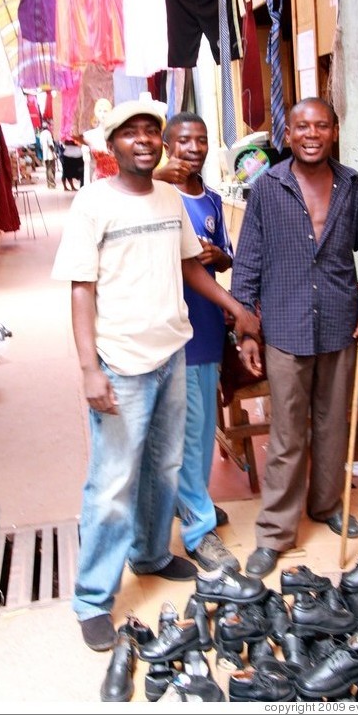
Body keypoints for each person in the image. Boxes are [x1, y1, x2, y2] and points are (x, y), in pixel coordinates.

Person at [51, 99, 260, 651]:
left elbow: (190, 265)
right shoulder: (93, 205)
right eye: (131, 133)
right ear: (112, 144)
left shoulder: (170, 197)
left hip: (171, 353)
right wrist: (88, 368)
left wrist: (233, 306)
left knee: (164, 466)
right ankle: (93, 598)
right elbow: (80, 287)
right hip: (119, 362)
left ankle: (149, 554)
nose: (143, 140)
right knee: (113, 481)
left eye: (151, 131)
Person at [231, 97, 358, 579]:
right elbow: (248, 263)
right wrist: (246, 330)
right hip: (284, 327)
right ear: (289, 132)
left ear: (334, 131)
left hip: (341, 325)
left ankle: (325, 506)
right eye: (302, 126)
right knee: (286, 434)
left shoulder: (355, 188)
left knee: (333, 425)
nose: (312, 134)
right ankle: (275, 532)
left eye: (322, 125)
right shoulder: (267, 188)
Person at [153, 111, 238, 572]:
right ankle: (198, 531)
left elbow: (224, 259)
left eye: (201, 140)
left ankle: (194, 501)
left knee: (204, 427)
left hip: (207, 324)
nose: (193, 148)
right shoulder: (156, 195)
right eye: (183, 140)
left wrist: (217, 254)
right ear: (167, 145)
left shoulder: (211, 199)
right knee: (186, 431)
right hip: (171, 327)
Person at [39, 121, 57, 189]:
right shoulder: (48, 133)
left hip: (45, 154)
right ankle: (52, 184)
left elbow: (41, 145)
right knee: (51, 169)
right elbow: (50, 144)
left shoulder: (41, 134)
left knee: (47, 169)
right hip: (50, 154)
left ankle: (49, 184)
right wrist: (54, 152)